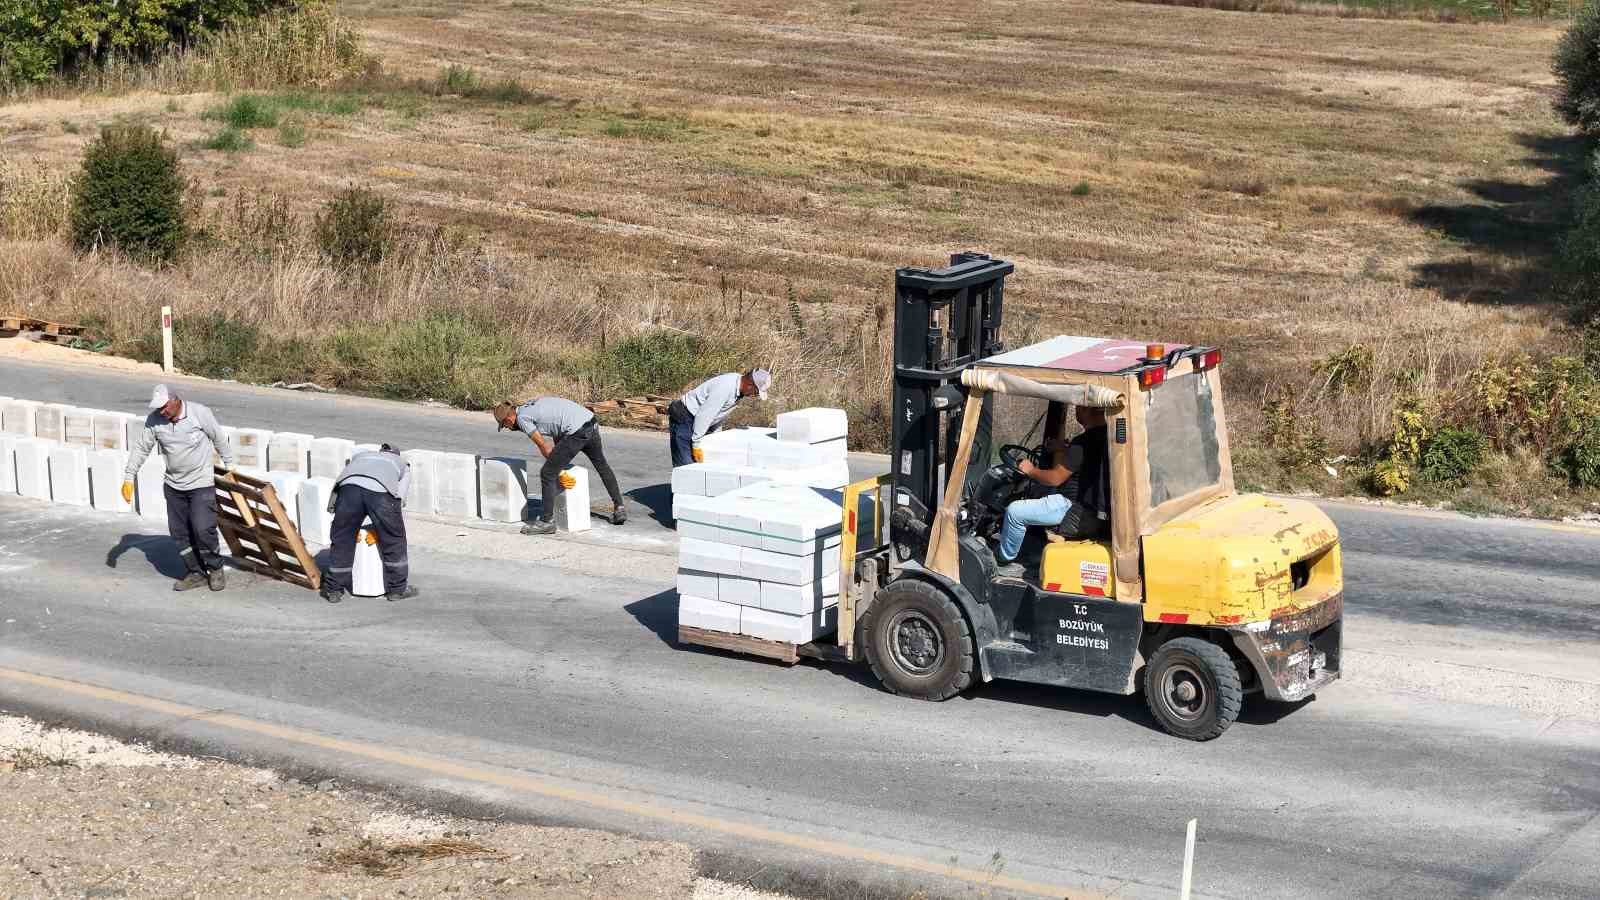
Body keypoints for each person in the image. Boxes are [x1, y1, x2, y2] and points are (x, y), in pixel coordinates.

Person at [120, 385, 235, 592]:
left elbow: (218, 437)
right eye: (158, 408)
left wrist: (230, 466)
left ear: (175, 400)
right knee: (179, 533)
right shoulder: (155, 420)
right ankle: (195, 572)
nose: (161, 411)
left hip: (201, 484)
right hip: (174, 485)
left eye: (164, 407)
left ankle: (215, 568)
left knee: (203, 529)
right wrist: (129, 476)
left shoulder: (199, 413)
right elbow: (141, 448)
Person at [994, 405, 1111, 578]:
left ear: (1086, 410)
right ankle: (1032, 549)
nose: (1076, 409)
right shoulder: (1108, 436)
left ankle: (1003, 561)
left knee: (1014, 512)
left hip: (1074, 509)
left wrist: (1030, 470)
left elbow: (1056, 478)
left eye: (1079, 406)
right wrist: (1064, 447)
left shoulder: (1084, 442)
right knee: (1038, 492)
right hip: (1093, 511)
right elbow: (1086, 455)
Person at [492, 396, 627, 534]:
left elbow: (545, 447)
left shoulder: (522, 419)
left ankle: (547, 522)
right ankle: (619, 508)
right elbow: (558, 429)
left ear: (508, 419)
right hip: (590, 422)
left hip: (577, 432)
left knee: (547, 473)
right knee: (602, 465)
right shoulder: (531, 406)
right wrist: (559, 463)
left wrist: (558, 470)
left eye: (505, 426)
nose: (508, 428)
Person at [322, 444, 417, 605]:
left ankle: (334, 590)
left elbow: (344, 480)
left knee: (342, 539)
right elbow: (399, 497)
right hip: (380, 493)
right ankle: (397, 590)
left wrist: (334, 506)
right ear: (397, 454)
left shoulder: (361, 456)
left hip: (348, 491)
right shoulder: (402, 464)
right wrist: (389, 522)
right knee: (394, 539)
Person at [669, 368, 772, 467]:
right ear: (750, 385)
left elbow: (718, 414)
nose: (753, 395)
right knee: (686, 467)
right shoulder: (725, 387)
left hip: (697, 422)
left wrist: (716, 438)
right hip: (685, 417)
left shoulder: (738, 388)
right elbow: (705, 415)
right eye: (755, 392)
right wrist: (696, 444)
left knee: (700, 468)